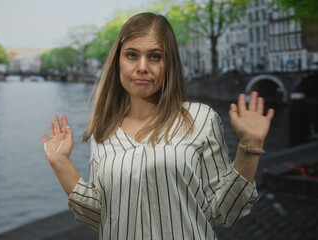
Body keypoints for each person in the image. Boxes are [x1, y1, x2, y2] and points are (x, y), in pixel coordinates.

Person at [42, 12, 274, 239]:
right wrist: (61, 164)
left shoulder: (201, 119)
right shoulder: (103, 131)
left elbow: (226, 212)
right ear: (118, 62)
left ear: (168, 64)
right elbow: (103, 216)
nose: (142, 66)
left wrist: (249, 147)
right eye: (132, 55)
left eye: (154, 56)